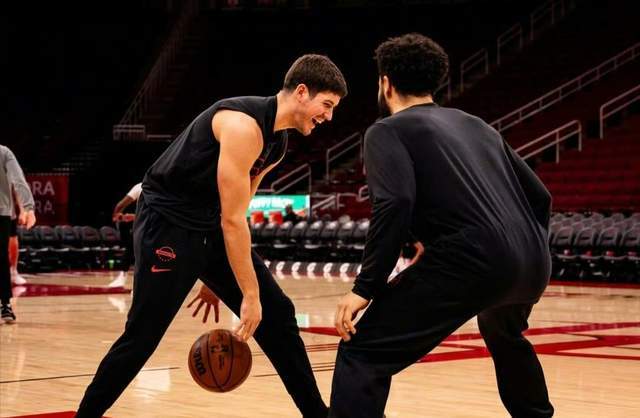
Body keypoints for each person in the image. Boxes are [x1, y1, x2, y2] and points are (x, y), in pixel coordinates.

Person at [76, 54, 347, 418]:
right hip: (167, 223)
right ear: (301, 92)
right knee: (143, 335)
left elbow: (237, 209)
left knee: (279, 315)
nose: (328, 116)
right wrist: (248, 293)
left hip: (208, 224)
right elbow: (233, 221)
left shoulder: (277, 144)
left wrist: (218, 275)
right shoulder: (242, 125)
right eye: (326, 105)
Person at [330, 34, 554, 418]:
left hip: (474, 259)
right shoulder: (478, 126)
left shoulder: (386, 130)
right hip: (533, 259)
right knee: (505, 334)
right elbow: (541, 197)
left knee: (363, 352)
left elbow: (395, 202)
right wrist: (524, 251)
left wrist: (365, 287)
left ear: (386, 83)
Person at [1, 145, 36, 323]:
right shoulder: (4, 152)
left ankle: (5, 304)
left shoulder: (4, 153)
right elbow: (18, 179)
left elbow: (17, 180)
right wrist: (29, 208)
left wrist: (27, 208)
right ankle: (5, 305)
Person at [111, 182, 142, 284]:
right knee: (131, 248)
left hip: (148, 225)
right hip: (155, 225)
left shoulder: (141, 186)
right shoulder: (142, 187)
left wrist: (117, 215)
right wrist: (133, 217)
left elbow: (120, 206)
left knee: (131, 249)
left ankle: (123, 276)